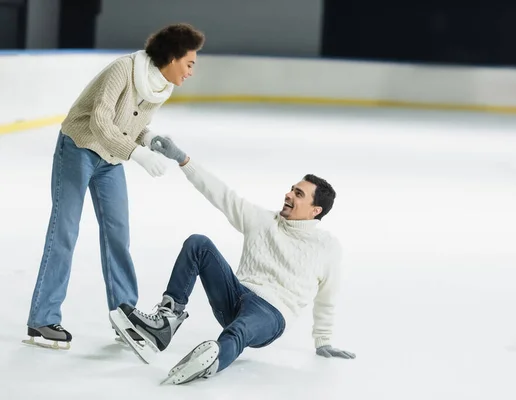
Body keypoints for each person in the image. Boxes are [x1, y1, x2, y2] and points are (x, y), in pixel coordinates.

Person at [111, 135, 356, 384]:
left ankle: (212, 360)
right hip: (234, 295)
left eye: (299, 193)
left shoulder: (327, 247)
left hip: (271, 314)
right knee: (199, 244)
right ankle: (165, 323)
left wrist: (323, 340)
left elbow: (328, 297)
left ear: (316, 211)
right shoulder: (262, 220)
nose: (289, 194)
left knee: (238, 331)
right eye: (292, 189)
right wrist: (182, 158)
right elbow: (221, 194)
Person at [23, 23, 206, 350]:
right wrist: (136, 152)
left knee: (118, 233)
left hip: (110, 158)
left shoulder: (161, 86)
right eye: (190, 63)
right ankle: (42, 319)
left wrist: (148, 138)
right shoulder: (124, 70)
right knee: (64, 231)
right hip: (78, 147)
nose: (192, 71)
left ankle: (125, 314)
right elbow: (100, 121)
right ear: (173, 56)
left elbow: (134, 122)